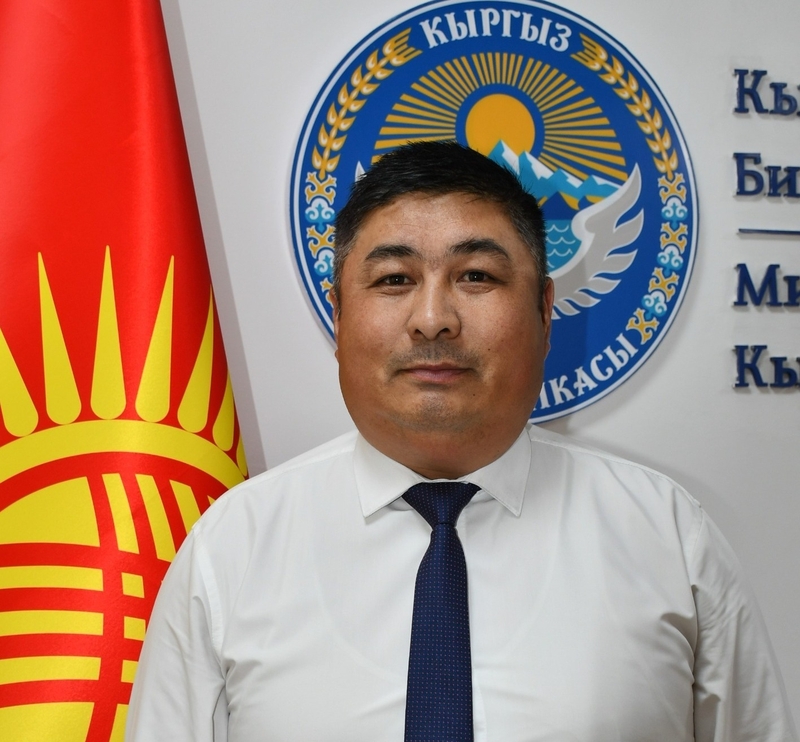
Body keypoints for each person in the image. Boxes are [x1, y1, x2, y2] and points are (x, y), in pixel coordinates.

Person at [126, 141, 797, 741]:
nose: (432, 320)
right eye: (394, 280)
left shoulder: (669, 539)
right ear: (339, 315)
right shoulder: (232, 551)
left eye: (476, 275)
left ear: (544, 312)